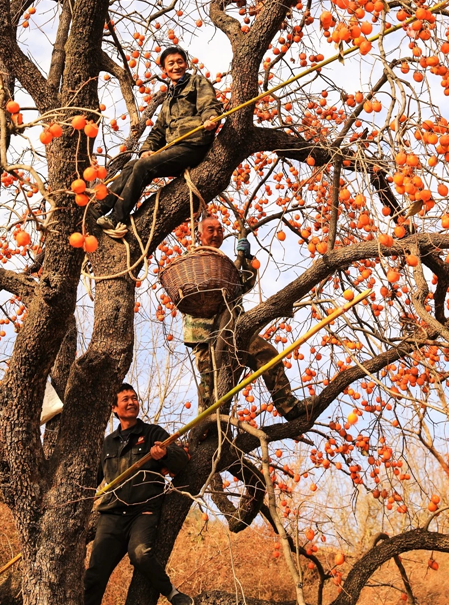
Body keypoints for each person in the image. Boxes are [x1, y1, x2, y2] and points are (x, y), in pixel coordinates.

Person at [183, 216, 305, 419]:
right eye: (210, 230)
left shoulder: (224, 262)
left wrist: (246, 260)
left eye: (219, 230)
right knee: (208, 380)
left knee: (267, 355)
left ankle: (288, 406)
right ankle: (203, 425)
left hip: (234, 327)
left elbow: (242, 286)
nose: (216, 234)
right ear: (199, 234)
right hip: (204, 332)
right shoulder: (192, 260)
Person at [97, 47, 222, 239]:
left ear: (186, 64)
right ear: (164, 70)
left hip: (193, 144)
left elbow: (208, 104)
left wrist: (210, 118)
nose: (176, 66)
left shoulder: (197, 82)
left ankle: (116, 218)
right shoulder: (168, 100)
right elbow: (158, 131)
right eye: (171, 63)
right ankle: (100, 207)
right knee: (132, 166)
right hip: (175, 149)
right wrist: (147, 149)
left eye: (180, 62)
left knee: (144, 167)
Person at [85, 384, 193, 605]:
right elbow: (91, 482)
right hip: (111, 515)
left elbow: (180, 460)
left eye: (134, 398)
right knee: (95, 574)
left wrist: (163, 454)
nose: (131, 402)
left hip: (143, 511)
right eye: (125, 399)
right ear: (114, 407)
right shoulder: (107, 443)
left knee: (141, 555)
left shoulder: (153, 433)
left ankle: (172, 593)